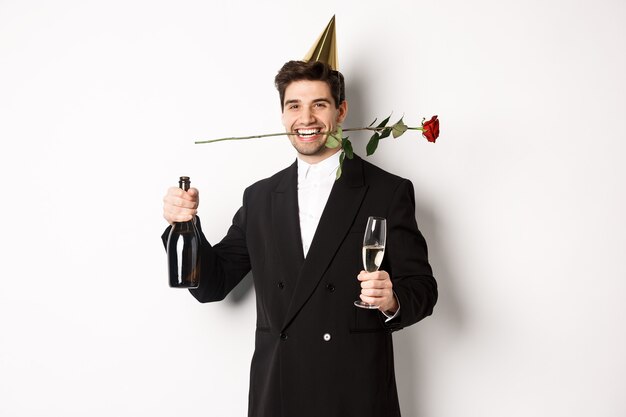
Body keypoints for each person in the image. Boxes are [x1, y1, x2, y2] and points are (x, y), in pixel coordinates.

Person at [162, 58, 437, 416]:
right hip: (279, 393)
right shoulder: (259, 198)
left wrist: (392, 299)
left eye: (318, 105)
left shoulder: (387, 190)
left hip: (355, 393)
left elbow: (423, 289)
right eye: (294, 105)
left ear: (341, 111)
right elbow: (212, 285)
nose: (305, 118)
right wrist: (184, 225)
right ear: (282, 115)